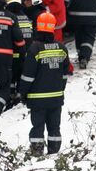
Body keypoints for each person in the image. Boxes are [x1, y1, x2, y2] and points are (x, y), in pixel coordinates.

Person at [19, 12, 70, 156]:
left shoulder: (35, 49)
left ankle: (37, 151)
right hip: (56, 98)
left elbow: (27, 76)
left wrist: (23, 94)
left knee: (38, 126)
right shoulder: (61, 48)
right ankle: (54, 152)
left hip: (37, 99)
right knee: (54, 126)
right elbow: (65, 74)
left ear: (38, 28)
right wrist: (60, 88)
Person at [6, 0, 33, 106]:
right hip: (26, 55)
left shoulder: (10, 18)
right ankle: (18, 95)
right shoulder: (25, 17)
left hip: (13, 54)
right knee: (20, 77)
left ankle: (11, 96)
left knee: (10, 78)